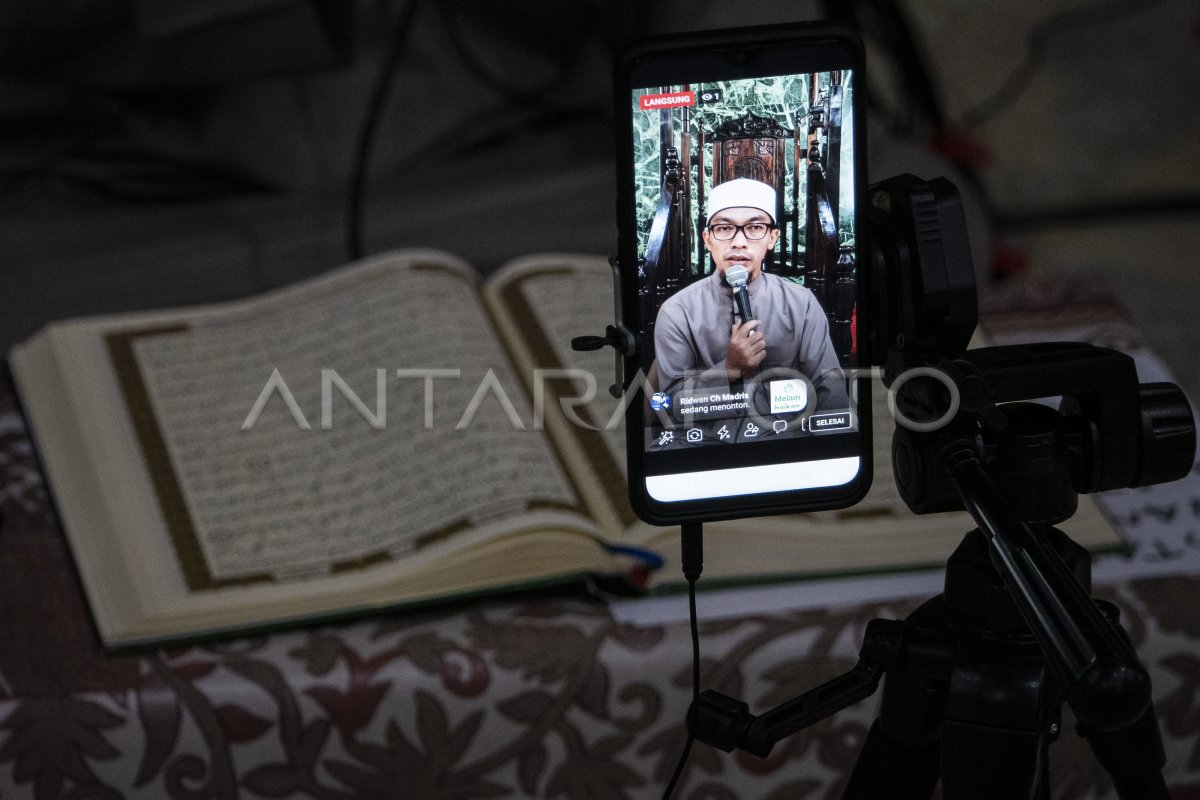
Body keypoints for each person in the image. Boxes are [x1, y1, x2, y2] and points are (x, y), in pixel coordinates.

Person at [653, 177, 849, 411]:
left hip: (788, 442)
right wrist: (728, 369)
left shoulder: (801, 304)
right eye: (724, 228)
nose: (739, 242)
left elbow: (831, 395)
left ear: (772, 238)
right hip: (709, 442)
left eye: (755, 228)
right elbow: (668, 406)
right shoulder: (677, 312)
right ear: (707, 239)